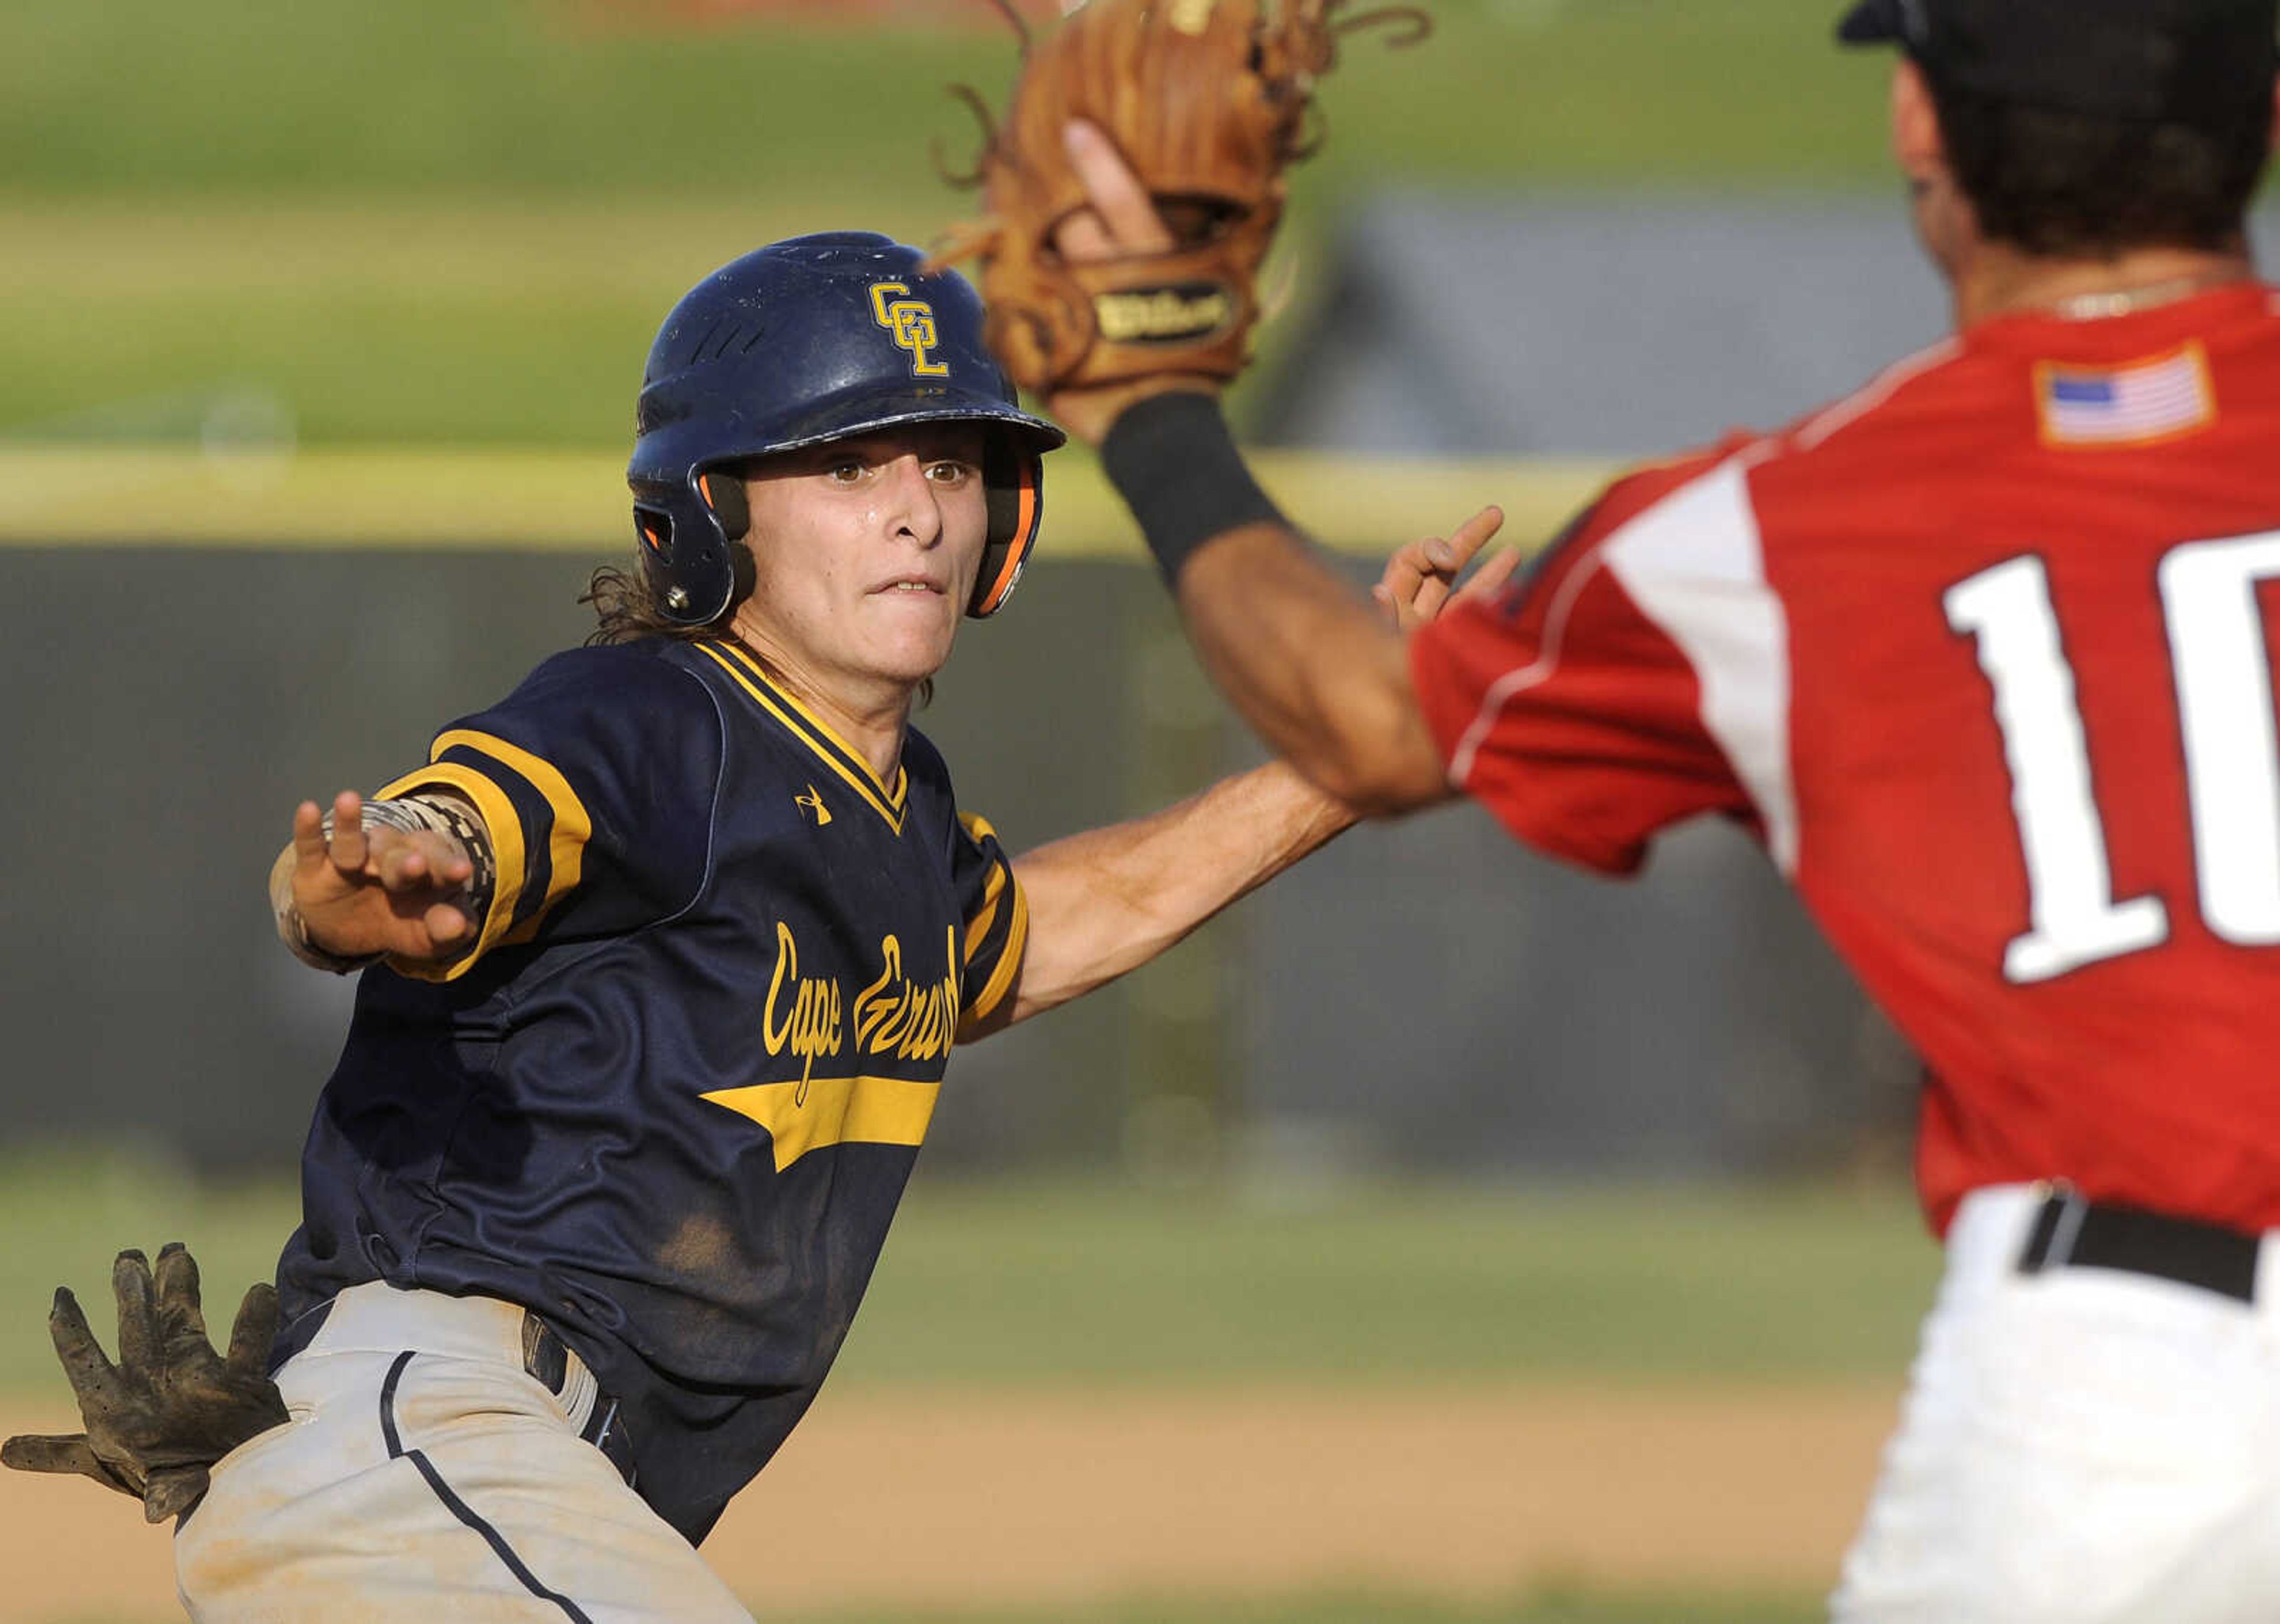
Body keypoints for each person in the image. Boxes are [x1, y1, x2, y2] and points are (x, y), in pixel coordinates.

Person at [1, 231, 1498, 1619]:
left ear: (1006, 514)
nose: (917, 506)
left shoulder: (899, 822)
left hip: (504, 1490)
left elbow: (1064, 919)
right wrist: (361, 887)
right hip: (428, 1429)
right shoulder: (656, 722)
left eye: (950, 462)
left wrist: (1362, 747)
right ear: (712, 512)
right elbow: (429, 841)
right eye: (848, 467)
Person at [1038, 1, 2280, 1619]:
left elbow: (1354, 715)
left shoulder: (1782, 528)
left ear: (1921, 121)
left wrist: (1154, 405)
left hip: (2125, 1403)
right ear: (2256, 125)